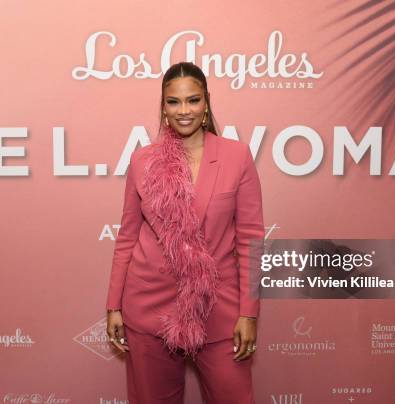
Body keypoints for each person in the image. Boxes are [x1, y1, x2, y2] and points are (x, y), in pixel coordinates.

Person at [105, 61, 265, 404]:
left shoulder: (236, 156)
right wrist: (113, 305)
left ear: (206, 102)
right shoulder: (142, 161)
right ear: (163, 106)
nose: (184, 111)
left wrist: (248, 313)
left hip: (217, 306)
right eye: (173, 102)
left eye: (192, 100)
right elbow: (128, 237)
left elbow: (251, 240)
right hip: (150, 305)